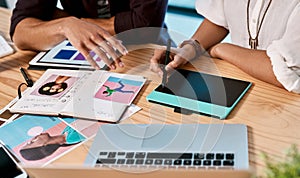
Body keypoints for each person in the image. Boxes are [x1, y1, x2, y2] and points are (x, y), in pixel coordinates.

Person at [150, 0, 300, 94]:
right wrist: (189, 48)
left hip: (284, 99)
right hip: (240, 81)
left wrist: (221, 49)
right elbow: (219, 18)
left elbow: (288, 73)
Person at [10, 0, 169, 69]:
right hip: (83, 56)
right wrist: (65, 26)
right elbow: (20, 33)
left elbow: (144, 27)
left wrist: (75, 23)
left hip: (144, 51)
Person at [20, 126, 85, 161]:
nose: (33, 138)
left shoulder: (65, 133)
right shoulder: (72, 138)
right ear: (43, 147)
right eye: (31, 142)